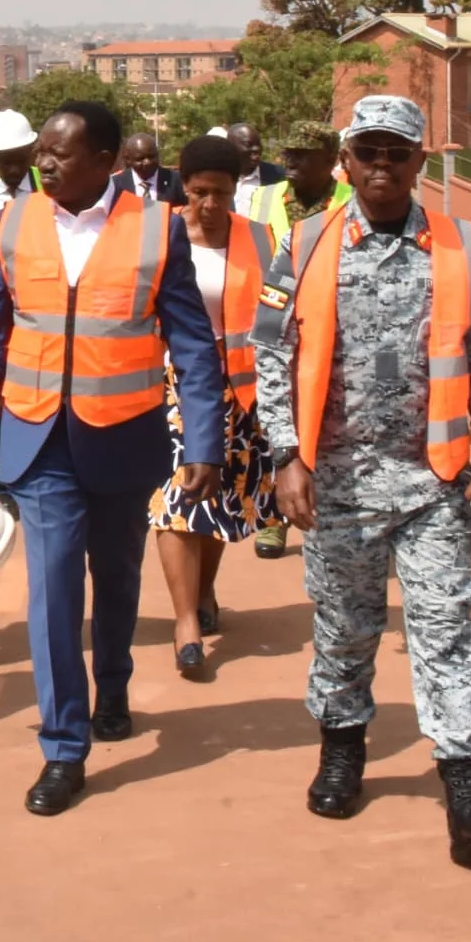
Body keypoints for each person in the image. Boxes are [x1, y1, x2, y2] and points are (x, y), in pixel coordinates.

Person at [255, 95, 471, 868]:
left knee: (447, 634)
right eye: (366, 152)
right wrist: (287, 456)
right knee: (345, 630)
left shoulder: (463, 246)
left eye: (396, 153)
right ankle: (342, 750)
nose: (380, 166)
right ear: (345, 162)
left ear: (419, 163)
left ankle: (470, 796)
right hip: (336, 482)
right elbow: (271, 357)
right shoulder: (305, 245)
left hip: (434, 481)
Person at [0, 100, 225, 816]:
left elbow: (193, 345)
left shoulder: (157, 228)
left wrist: (203, 439)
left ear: (104, 162)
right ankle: (63, 748)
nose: (43, 162)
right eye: (41, 149)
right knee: (52, 592)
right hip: (36, 436)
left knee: (116, 576)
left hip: (123, 431)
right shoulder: (13, 222)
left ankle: (112, 682)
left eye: (60, 152)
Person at [148, 134, 280, 679]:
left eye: (220, 194)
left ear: (236, 191)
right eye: (198, 191)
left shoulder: (263, 239)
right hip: (171, 387)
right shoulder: (157, 233)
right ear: (182, 182)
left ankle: (204, 593)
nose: (208, 204)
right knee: (177, 501)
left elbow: (279, 317)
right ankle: (186, 623)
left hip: (242, 394)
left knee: (222, 502)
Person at [246, 119, 354, 558]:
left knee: (331, 428)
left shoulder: (350, 199)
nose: (290, 160)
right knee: (273, 425)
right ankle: (273, 518)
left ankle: (330, 517)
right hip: (276, 326)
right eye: (288, 151)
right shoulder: (263, 197)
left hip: (335, 330)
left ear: (331, 161)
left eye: (303, 154)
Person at [0, 108, 39, 212]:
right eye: (7, 163)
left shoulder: (46, 183)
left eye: (21, 161)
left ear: (31, 152)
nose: (14, 170)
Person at [110, 131, 186, 206]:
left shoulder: (176, 180)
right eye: (140, 158)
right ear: (128, 160)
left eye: (151, 157)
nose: (147, 162)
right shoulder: (115, 185)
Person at [229, 123, 284, 205]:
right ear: (230, 146)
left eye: (258, 144)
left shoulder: (277, 175)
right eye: (248, 144)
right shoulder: (220, 177)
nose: (256, 149)